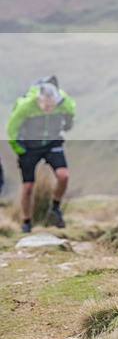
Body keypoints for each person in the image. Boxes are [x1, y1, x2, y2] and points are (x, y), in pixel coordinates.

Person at [6, 77, 76, 233]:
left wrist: (69, 123)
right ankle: (26, 222)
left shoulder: (64, 102)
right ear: (38, 100)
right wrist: (19, 149)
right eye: (46, 106)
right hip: (29, 146)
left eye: (52, 106)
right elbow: (11, 128)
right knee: (28, 186)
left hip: (52, 142)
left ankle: (55, 208)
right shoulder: (25, 105)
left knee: (63, 176)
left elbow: (71, 111)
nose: (49, 108)